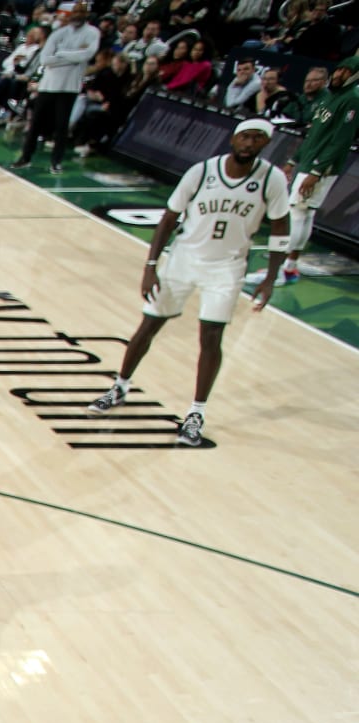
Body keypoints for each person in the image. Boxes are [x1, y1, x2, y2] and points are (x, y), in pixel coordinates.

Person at [88, 120, 291, 446]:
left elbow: (281, 226)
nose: (249, 143)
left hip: (227, 267)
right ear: (233, 138)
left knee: (211, 336)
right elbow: (169, 217)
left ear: (265, 143)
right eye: (245, 136)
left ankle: (196, 413)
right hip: (183, 259)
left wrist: (270, 277)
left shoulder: (272, 179)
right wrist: (151, 266)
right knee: (149, 324)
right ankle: (119, 386)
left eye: (257, 138)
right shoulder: (202, 171)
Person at [277, 56, 359, 286]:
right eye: (339, 69)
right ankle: (289, 267)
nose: (339, 74)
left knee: (298, 213)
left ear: (354, 75)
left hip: (321, 166)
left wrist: (317, 170)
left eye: (346, 71)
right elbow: (314, 134)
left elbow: (341, 141)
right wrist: (294, 160)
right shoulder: (329, 97)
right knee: (304, 214)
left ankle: (284, 268)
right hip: (309, 161)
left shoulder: (352, 100)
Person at [12, 1, 99, 174]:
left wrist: (60, 54)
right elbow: (45, 59)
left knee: (61, 127)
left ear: (86, 14)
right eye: (75, 11)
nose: (77, 15)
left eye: (81, 12)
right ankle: (25, 157)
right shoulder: (59, 33)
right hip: (48, 85)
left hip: (70, 87)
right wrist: (73, 57)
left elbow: (87, 54)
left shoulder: (92, 33)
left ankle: (56, 162)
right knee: (35, 124)